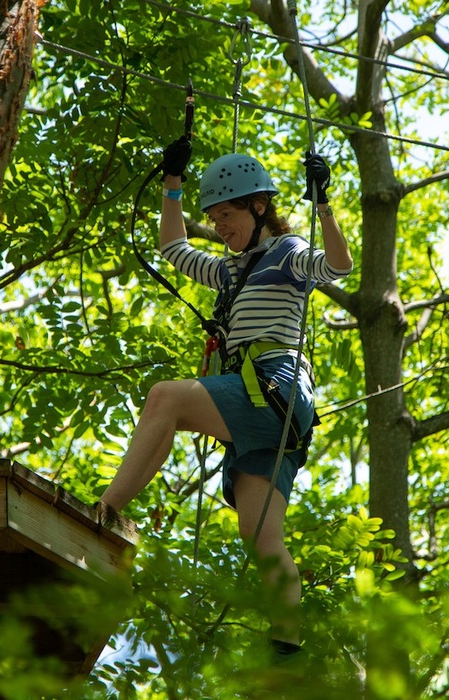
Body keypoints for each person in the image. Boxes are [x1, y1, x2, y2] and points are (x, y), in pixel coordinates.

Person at [98, 137, 354, 660]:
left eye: (228, 214)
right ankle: (287, 650)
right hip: (271, 416)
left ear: (259, 207)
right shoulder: (230, 270)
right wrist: (172, 184)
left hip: (272, 387)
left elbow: (338, 266)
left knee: (165, 399)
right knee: (261, 539)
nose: (219, 227)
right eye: (213, 217)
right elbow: (173, 250)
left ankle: (103, 513)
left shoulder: (286, 252)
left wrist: (322, 202)